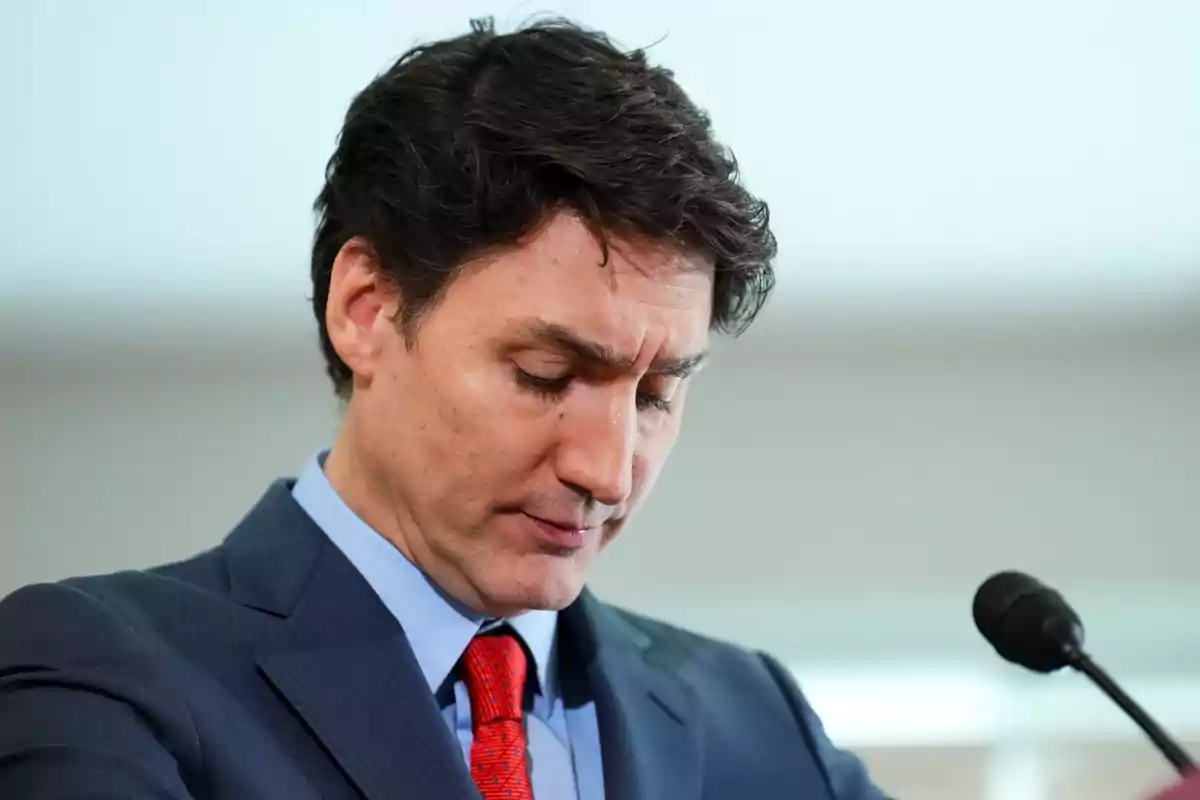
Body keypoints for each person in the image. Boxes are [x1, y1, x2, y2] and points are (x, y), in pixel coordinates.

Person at [0, 17, 891, 800]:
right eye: (546, 373)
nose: (607, 471)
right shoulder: (97, 673)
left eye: (657, 396)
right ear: (368, 308)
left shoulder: (757, 719)